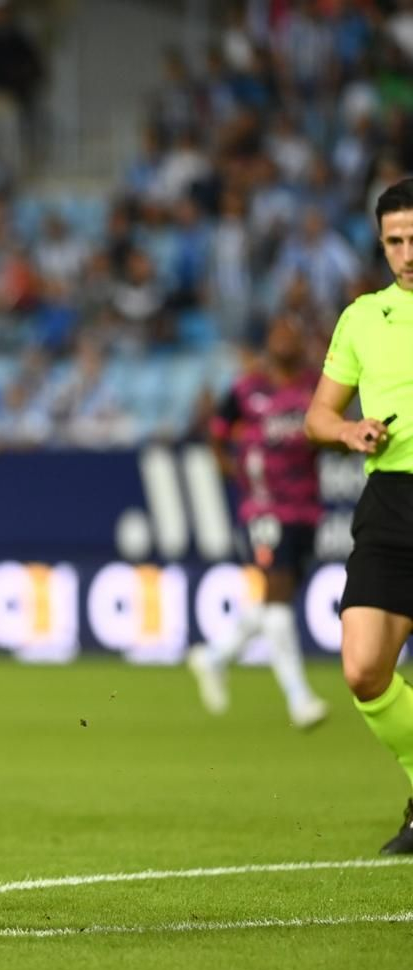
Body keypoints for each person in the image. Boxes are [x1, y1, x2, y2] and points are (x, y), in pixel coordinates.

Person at [305, 177, 413, 855]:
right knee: (363, 669)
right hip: (391, 506)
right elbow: (317, 415)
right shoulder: (362, 317)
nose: (407, 253)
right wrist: (350, 433)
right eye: (395, 242)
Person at [188, 317, 328, 729]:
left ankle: (214, 656)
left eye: (292, 334)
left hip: (307, 507)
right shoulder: (247, 388)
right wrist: (232, 470)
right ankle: (299, 699)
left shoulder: (315, 387)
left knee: (274, 602)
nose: (285, 340)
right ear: (268, 342)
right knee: (278, 595)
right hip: (264, 508)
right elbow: (216, 431)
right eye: (278, 334)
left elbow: (329, 433)